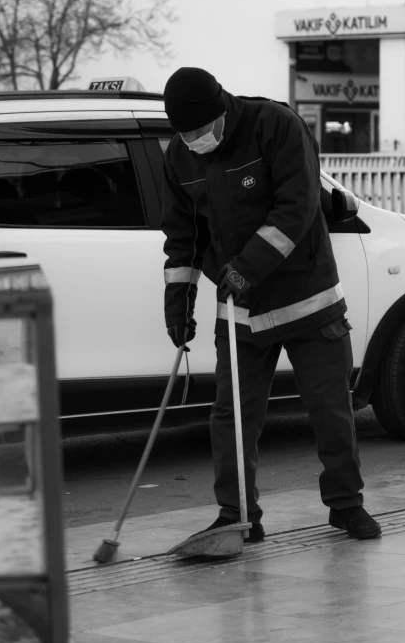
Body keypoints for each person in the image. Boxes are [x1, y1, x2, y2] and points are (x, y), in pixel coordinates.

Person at [161, 66, 381, 542]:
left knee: (330, 410)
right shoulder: (180, 156)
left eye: (200, 129)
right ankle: (238, 516)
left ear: (220, 110)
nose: (194, 139)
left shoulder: (275, 125)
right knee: (231, 417)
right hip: (241, 315)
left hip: (309, 301)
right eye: (185, 132)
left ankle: (346, 504)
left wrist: (246, 267)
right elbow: (184, 236)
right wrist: (178, 298)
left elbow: (297, 206)